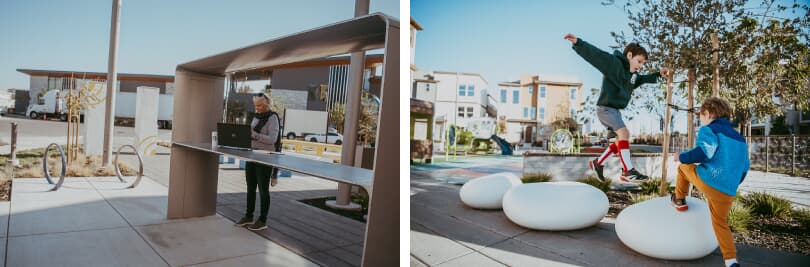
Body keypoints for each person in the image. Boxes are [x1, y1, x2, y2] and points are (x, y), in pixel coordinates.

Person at [565, 33, 670, 182]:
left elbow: (644, 78)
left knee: (618, 142)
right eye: (639, 61)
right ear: (629, 55)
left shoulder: (633, 76)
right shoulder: (614, 64)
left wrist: (659, 75)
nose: (640, 66)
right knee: (625, 133)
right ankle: (627, 171)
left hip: (614, 111)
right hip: (605, 108)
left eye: (642, 64)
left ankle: (598, 163)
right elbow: (597, 55)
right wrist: (578, 43)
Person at [672, 97, 749, 267]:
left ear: (709, 113)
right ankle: (731, 261)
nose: (701, 121)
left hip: (709, 180)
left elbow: (704, 152)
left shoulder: (710, 130)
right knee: (720, 223)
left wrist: (681, 156)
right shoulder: (740, 139)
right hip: (728, 191)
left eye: (701, 117)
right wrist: (731, 183)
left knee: (683, 168)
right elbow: (744, 168)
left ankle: (679, 200)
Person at [235, 93, 281, 231]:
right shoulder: (255, 117)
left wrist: (254, 135)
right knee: (250, 188)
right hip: (252, 155)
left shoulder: (273, 118)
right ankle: (248, 216)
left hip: (265, 157)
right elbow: (250, 135)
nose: (258, 108)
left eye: (260, 105)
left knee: (262, 190)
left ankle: (262, 220)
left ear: (267, 103)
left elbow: (272, 139)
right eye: (256, 105)